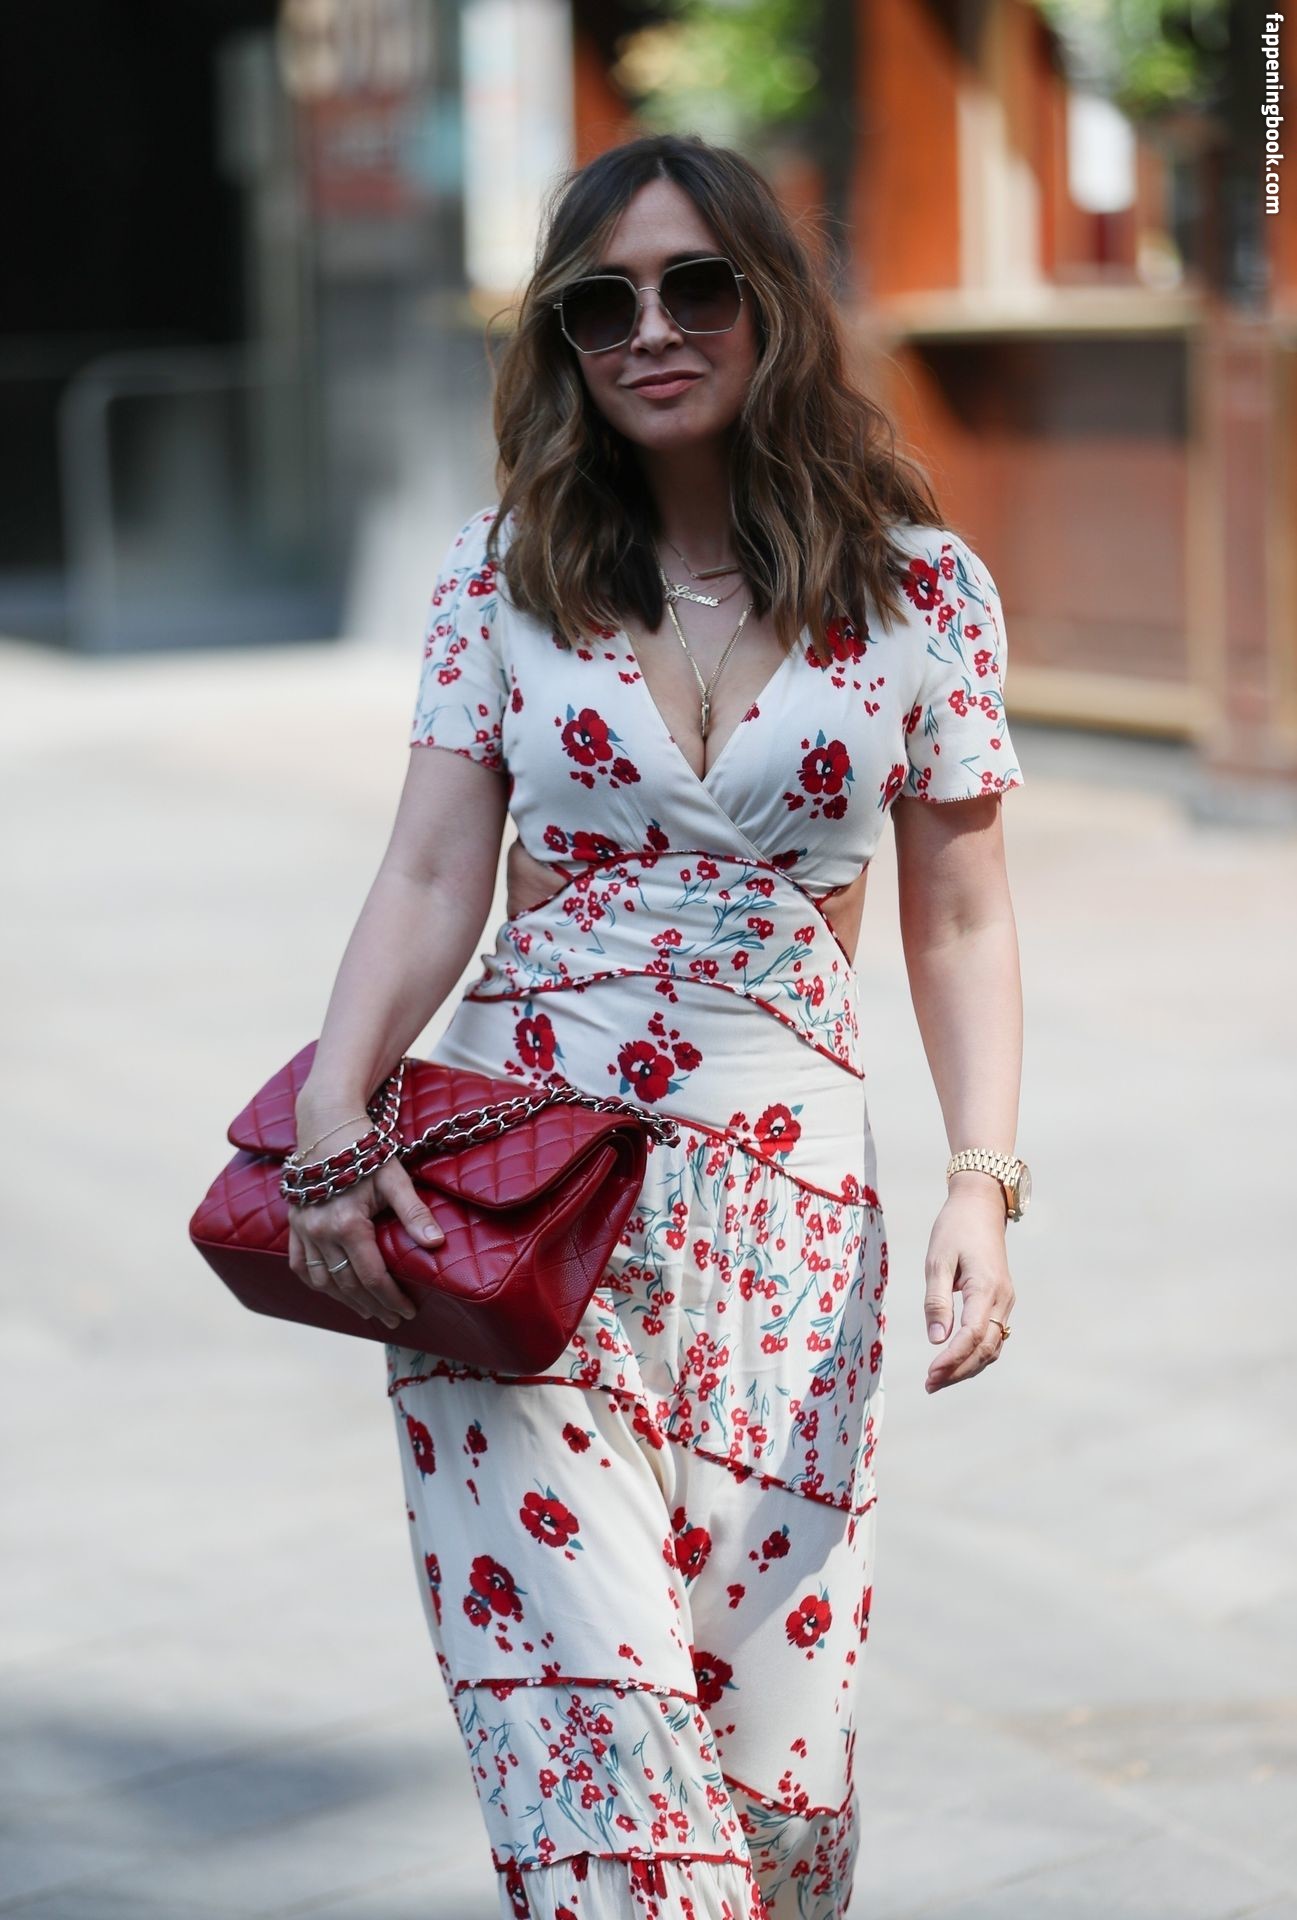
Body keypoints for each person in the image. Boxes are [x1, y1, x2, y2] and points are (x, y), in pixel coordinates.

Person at [287, 132, 1029, 1920]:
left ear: (768, 304)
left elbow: (959, 912)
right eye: (600, 301)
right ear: (560, 337)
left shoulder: (922, 590)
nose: (651, 329)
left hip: (791, 1225)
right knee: (598, 1760)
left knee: (774, 1779)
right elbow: (428, 871)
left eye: (695, 285)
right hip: (520, 1204)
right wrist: (330, 1109)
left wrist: (981, 1180)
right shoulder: (498, 574)